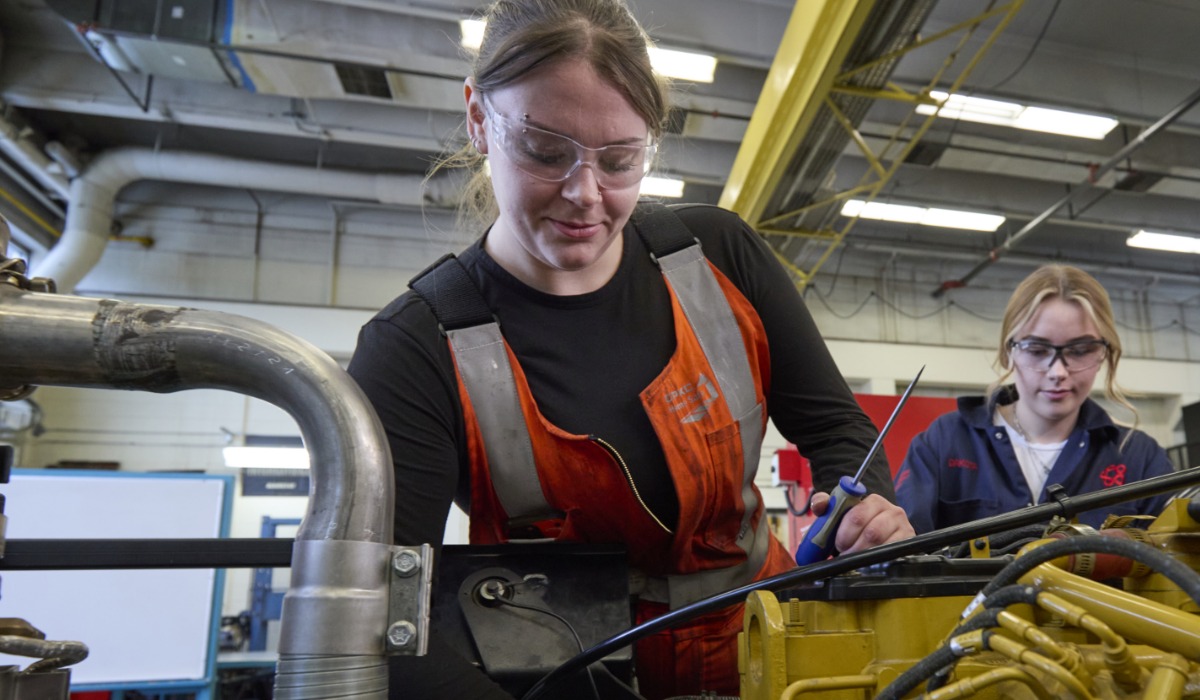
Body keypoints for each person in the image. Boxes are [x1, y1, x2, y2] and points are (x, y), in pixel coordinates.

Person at [348, 0, 913, 697]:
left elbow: (837, 429)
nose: (586, 194)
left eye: (619, 159)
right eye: (545, 152)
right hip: (571, 679)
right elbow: (393, 628)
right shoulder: (414, 349)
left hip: (771, 654)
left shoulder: (720, 259)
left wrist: (863, 508)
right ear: (477, 119)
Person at [894, 264, 1175, 535]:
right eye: (1037, 349)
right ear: (1009, 352)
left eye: (1080, 350)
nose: (1058, 372)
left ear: (1104, 353)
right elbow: (901, 553)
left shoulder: (1139, 458)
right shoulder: (947, 442)